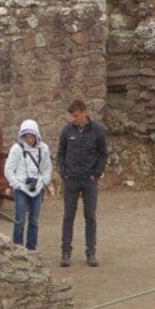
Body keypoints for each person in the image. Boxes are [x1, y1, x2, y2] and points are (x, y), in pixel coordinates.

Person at [54, 98, 107, 268]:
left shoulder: (97, 131)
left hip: (89, 180)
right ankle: (66, 253)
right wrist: (64, 173)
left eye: (76, 115)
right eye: (72, 116)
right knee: (68, 216)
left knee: (90, 216)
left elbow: (103, 153)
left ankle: (91, 252)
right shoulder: (67, 131)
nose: (74, 119)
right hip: (72, 179)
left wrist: (96, 173)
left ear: (84, 113)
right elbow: (61, 153)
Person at [2, 118, 50, 252]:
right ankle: (18, 248)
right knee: (20, 220)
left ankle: (31, 249)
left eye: (31, 136)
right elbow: (8, 169)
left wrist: (43, 181)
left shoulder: (43, 149)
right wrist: (16, 184)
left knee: (34, 221)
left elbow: (47, 168)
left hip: (37, 188)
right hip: (21, 188)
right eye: (27, 136)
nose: (29, 139)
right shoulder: (17, 149)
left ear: (36, 135)